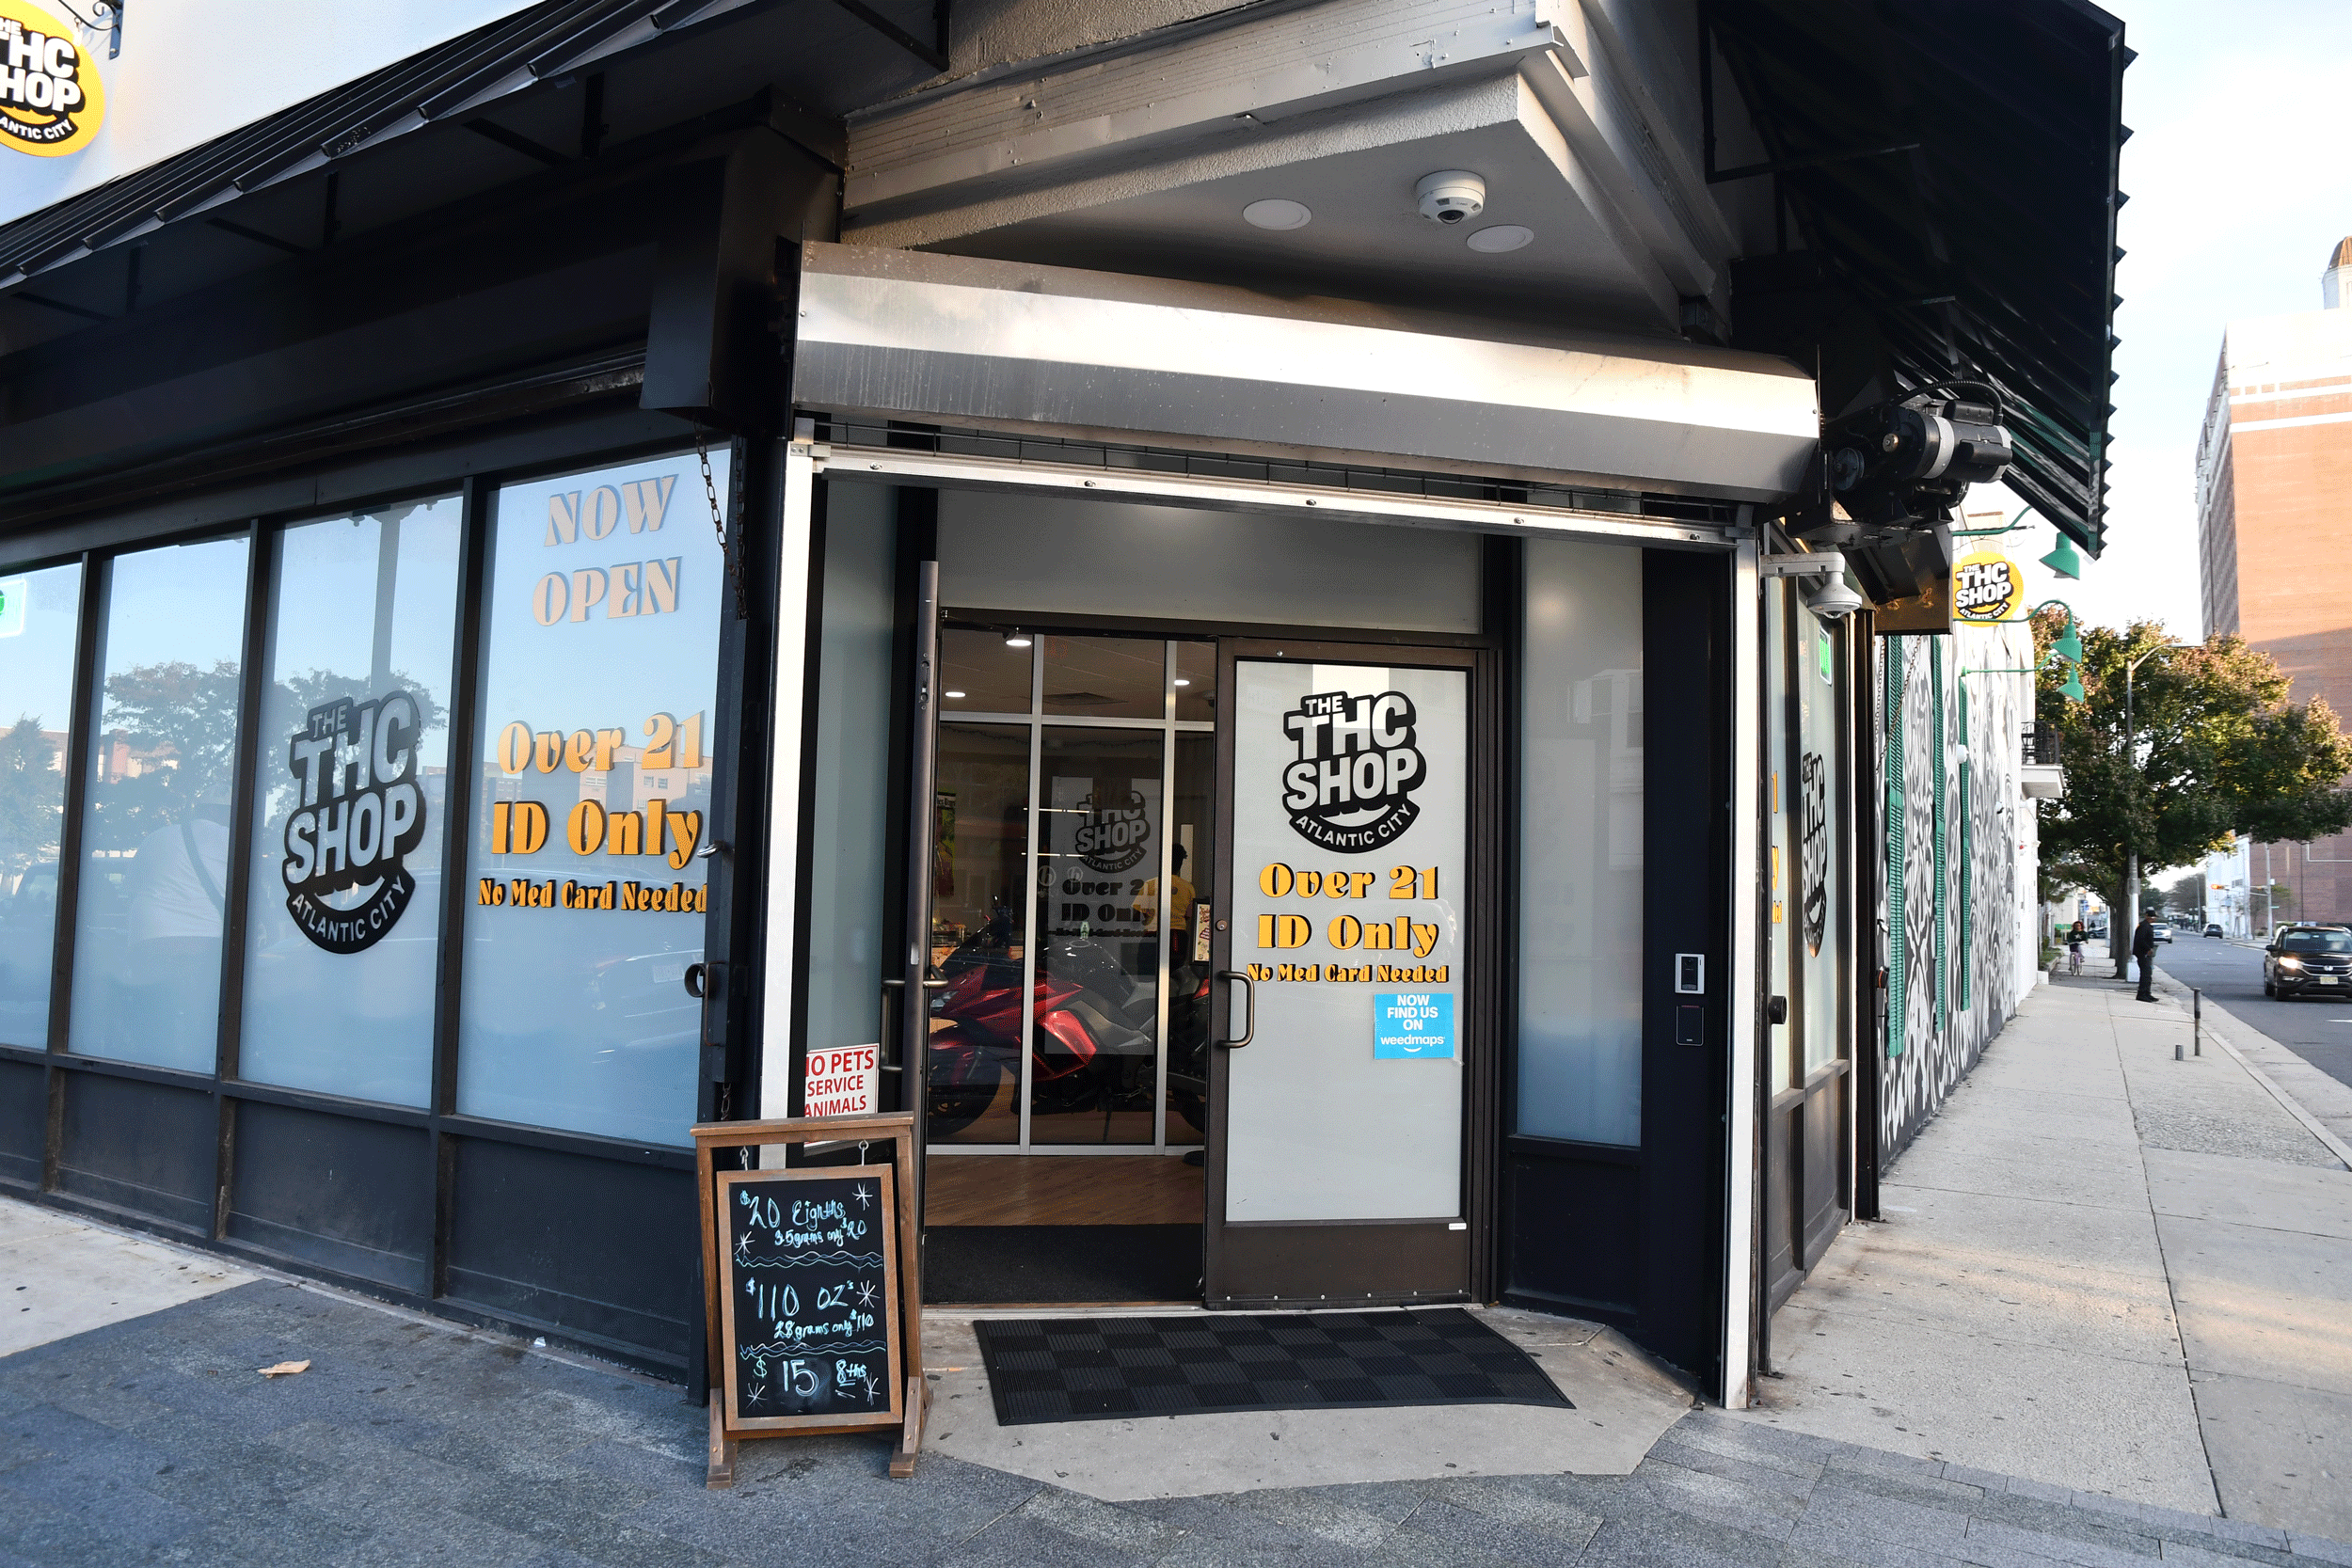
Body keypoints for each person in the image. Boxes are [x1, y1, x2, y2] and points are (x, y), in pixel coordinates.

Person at [2132, 911, 2158, 1003]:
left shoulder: (2147, 926)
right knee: (2145, 974)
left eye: (2154, 917)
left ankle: (2147, 993)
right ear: (2147, 916)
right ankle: (2142, 994)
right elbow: (2140, 940)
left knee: (2148, 975)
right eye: (2152, 917)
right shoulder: (2144, 926)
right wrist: (2148, 949)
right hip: (2143, 953)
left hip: (2146, 953)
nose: (2153, 919)